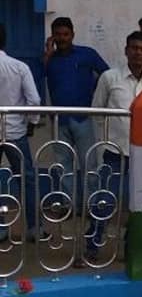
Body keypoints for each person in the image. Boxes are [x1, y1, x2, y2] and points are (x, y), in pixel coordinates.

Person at [77, 31, 142, 265]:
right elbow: (98, 111)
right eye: (133, 48)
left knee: (140, 204)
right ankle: (91, 248)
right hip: (114, 152)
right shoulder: (109, 78)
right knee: (103, 201)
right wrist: (106, 140)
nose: (137, 53)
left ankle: (132, 249)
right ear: (126, 50)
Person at [44, 17, 109, 210]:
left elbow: (106, 76)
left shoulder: (87, 54)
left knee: (89, 163)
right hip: (59, 120)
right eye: (58, 34)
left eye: (66, 34)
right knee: (63, 165)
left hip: (83, 117)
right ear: (52, 36)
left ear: (72, 34)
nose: (62, 38)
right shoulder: (49, 59)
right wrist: (47, 56)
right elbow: (37, 81)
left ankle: (92, 206)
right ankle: (69, 206)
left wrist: (94, 97)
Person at [0, 23, 41, 242]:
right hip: (16, 132)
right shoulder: (19, 67)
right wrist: (31, 122)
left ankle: (1, 228)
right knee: (27, 180)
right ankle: (34, 228)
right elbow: (34, 100)